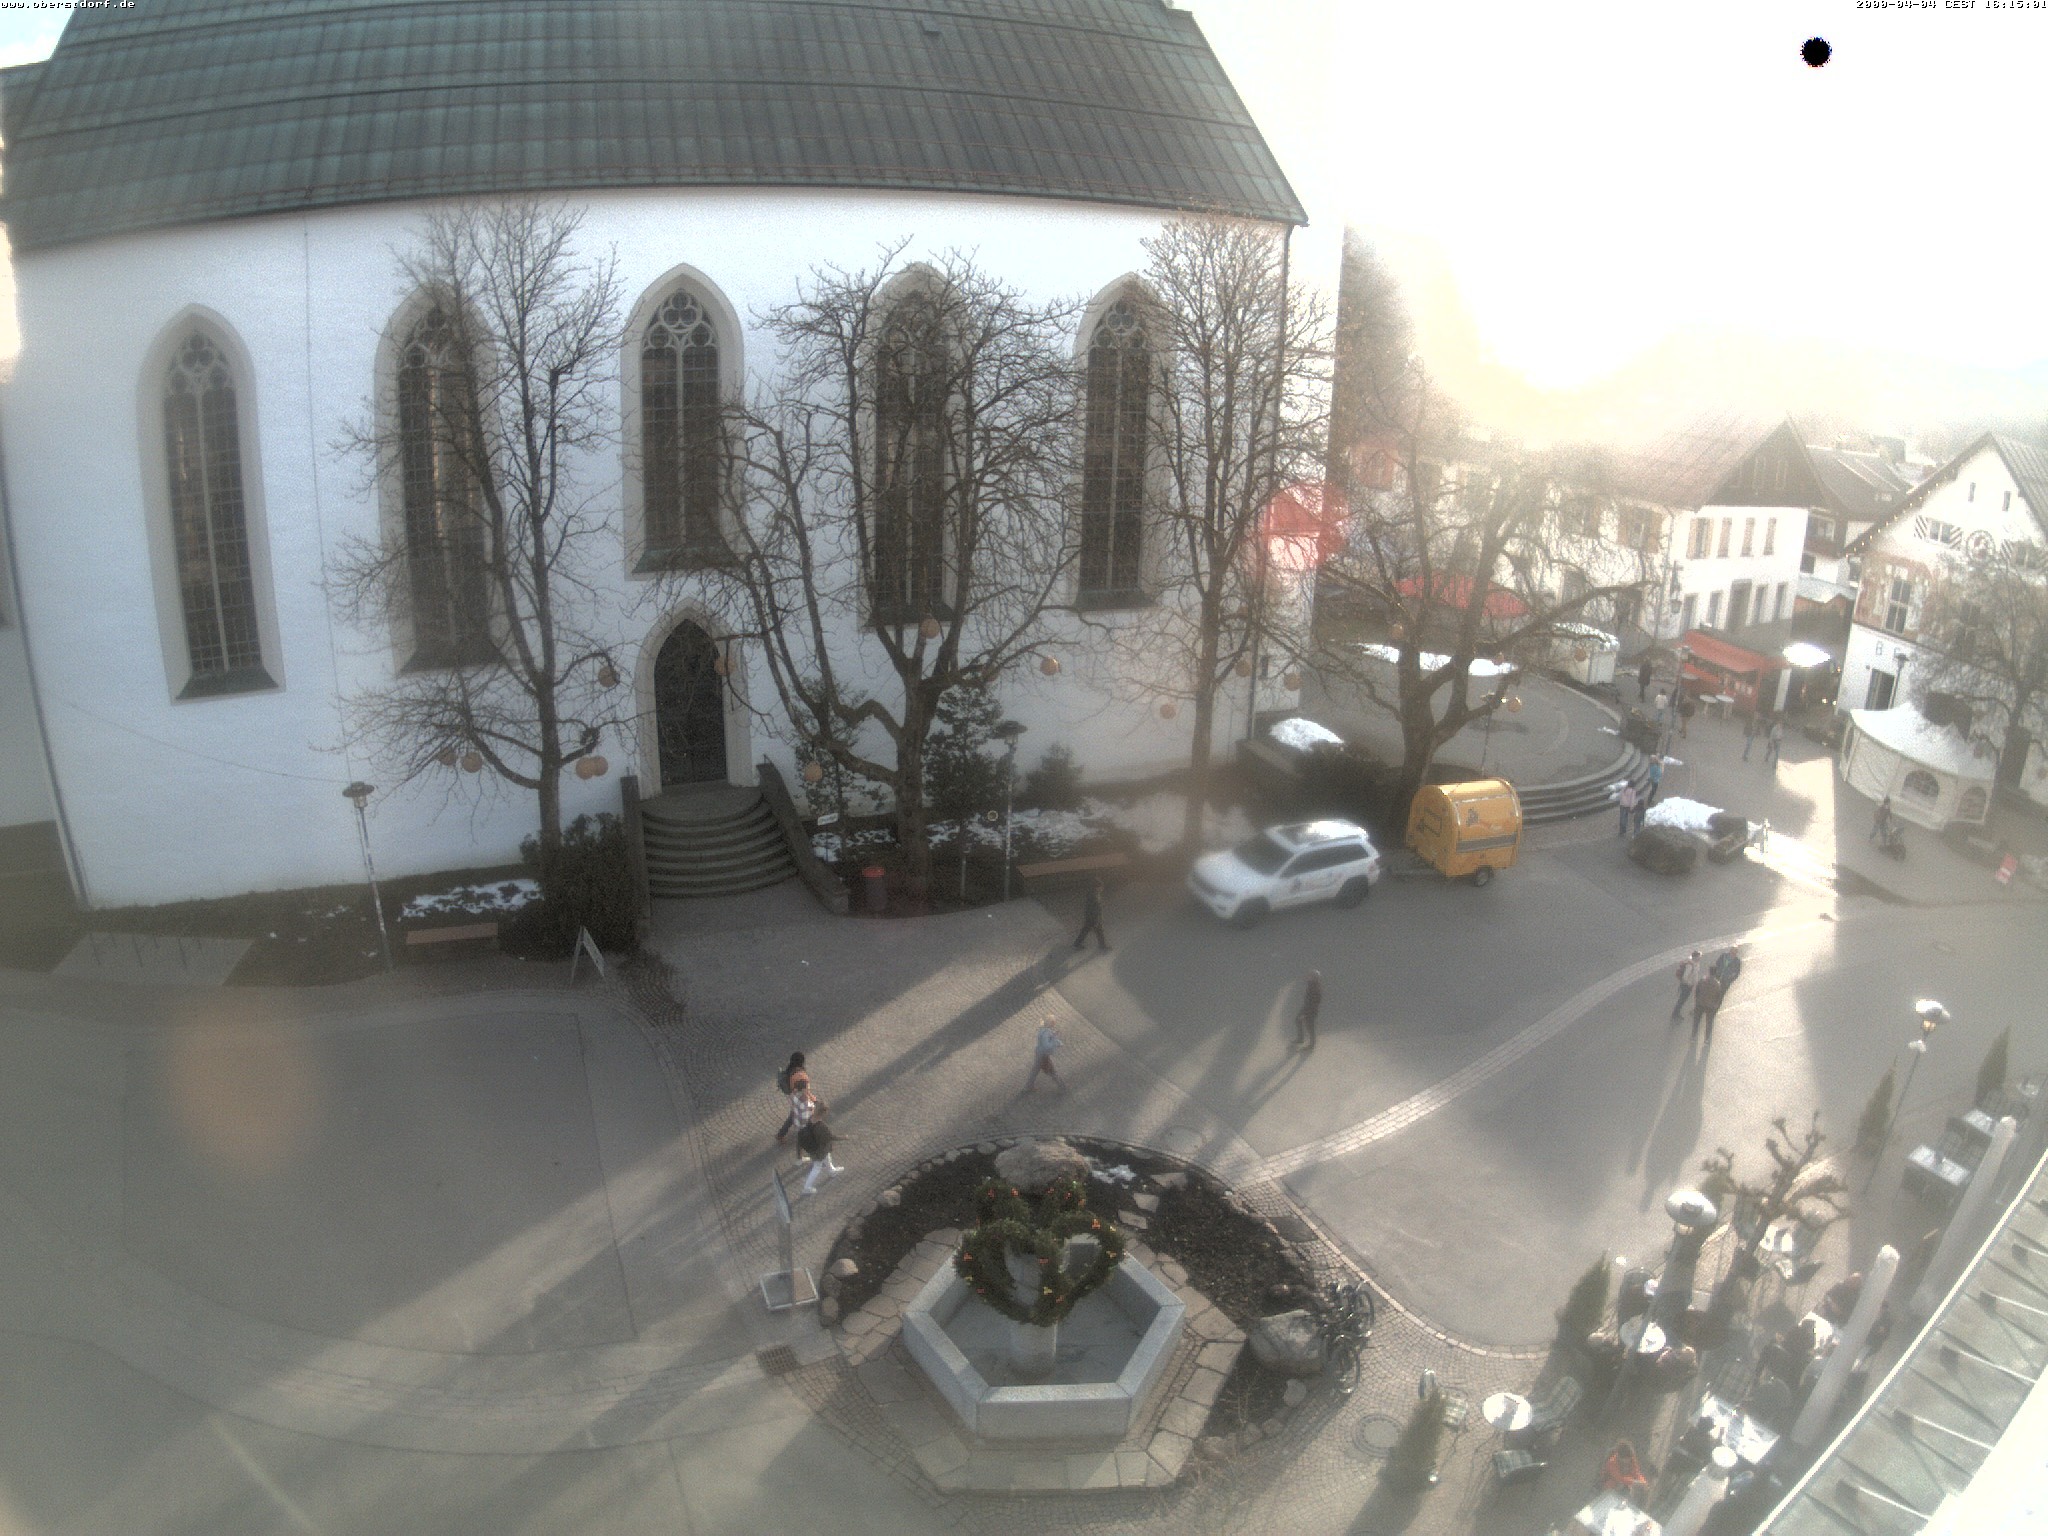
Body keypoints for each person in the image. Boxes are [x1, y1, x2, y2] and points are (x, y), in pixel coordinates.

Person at [796, 1100, 846, 1195]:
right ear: (823, 1113)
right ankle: (806, 1188)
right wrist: (844, 1138)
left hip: (815, 1148)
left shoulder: (811, 1119)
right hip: (819, 1150)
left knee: (827, 1157)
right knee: (817, 1167)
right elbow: (831, 1137)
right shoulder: (821, 1126)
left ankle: (831, 1170)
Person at [774, 1052, 811, 1144]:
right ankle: (781, 1134)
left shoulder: (791, 1070)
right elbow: (804, 1091)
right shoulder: (801, 1075)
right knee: (796, 1116)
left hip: (794, 1097)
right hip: (801, 1099)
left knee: (793, 1115)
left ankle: (780, 1134)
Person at [1024, 1017, 1066, 1093]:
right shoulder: (1046, 1033)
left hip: (1039, 1053)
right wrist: (1055, 1039)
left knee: (1035, 1070)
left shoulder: (1043, 1030)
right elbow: (1047, 1046)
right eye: (1053, 1022)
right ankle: (1061, 1086)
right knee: (1051, 1070)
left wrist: (1054, 1036)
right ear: (1050, 1024)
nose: (1054, 1024)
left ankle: (1028, 1086)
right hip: (1043, 1055)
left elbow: (1048, 1038)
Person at [1073, 876, 1110, 952]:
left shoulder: (1094, 894)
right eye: (1100, 886)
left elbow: (1096, 907)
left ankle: (1077, 943)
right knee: (1096, 930)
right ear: (1096, 887)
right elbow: (1093, 908)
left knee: (1087, 930)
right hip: (1093, 917)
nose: (1102, 888)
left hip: (1093, 917)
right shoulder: (1093, 895)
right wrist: (1096, 919)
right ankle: (1102, 945)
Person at [1691, 972, 1725, 1041]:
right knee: (1709, 1023)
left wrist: (1697, 1000)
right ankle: (1706, 1039)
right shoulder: (1717, 984)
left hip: (1700, 1004)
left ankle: (1693, 1036)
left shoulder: (1702, 980)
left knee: (1696, 1021)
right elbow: (1718, 996)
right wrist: (1716, 1005)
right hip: (1710, 1006)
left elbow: (1697, 991)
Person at [1672, 949, 1703, 1022]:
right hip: (1686, 986)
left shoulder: (1695, 964)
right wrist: (1690, 984)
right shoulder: (1690, 966)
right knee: (1682, 1000)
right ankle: (1675, 1013)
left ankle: (1676, 1012)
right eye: (1699, 957)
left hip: (1688, 985)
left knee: (1682, 1000)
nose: (1700, 958)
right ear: (1695, 957)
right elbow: (1685, 977)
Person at [1295, 969, 1323, 1050]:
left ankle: (1312, 1045)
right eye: (1309, 975)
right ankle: (1300, 1039)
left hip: (1311, 1010)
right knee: (1297, 1020)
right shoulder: (1311, 985)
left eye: (1310, 975)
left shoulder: (1316, 988)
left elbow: (1315, 1002)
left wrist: (1306, 1013)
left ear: (1314, 978)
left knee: (1310, 1027)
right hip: (1306, 1007)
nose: (1308, 976)